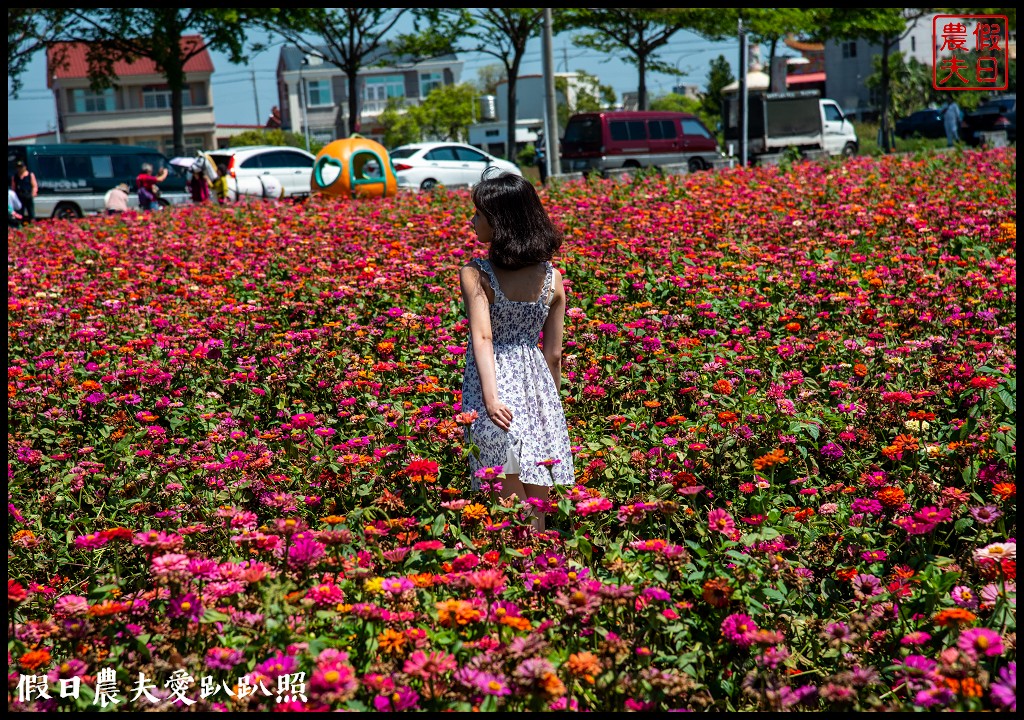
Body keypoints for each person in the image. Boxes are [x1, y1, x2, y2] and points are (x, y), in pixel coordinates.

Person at [459, 169, 574, 532]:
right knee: (536, 507)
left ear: (500, 221)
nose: (472, 220)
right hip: (538, 391)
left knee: (509, 507)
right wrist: (549, 406)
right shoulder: (552, 278)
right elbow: (553, 354)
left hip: (493, 387)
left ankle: (522, 576)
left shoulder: (476, 273)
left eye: (479, 213)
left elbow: (484, 338)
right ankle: (545, 572)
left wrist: (491, 399)